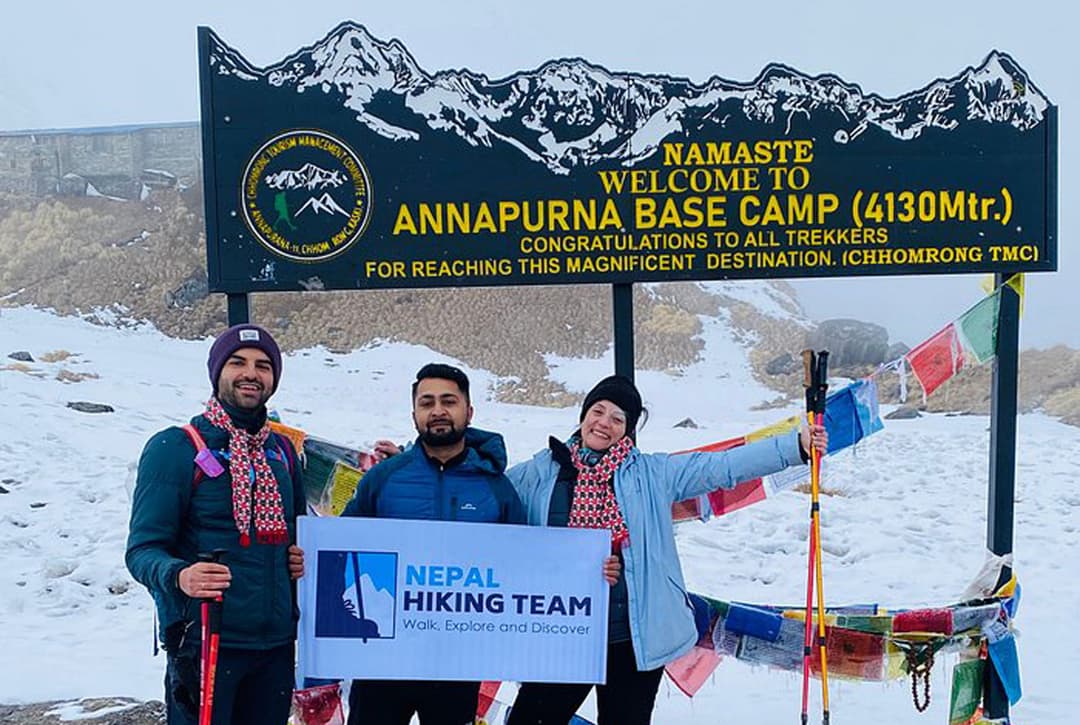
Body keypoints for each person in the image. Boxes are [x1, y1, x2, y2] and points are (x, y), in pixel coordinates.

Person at [505, 374, 828, 725]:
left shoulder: (653, 474)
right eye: (598, 411)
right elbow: (490, 498)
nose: (604, 423)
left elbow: (722, 467)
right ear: (583, 416)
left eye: (617, 418)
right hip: (563, 633)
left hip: (634, 636)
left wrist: (794, 446)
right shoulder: (542, 471)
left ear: (627, 430)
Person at [125, 324, 306, 725]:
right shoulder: (176, 447)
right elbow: (141, 551)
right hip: (204, 643)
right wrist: (181, 575)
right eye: (237, 362)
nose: (251, 373)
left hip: (275, 644)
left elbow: (297, 532)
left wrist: (298, 557)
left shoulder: (283, 453)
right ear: (216, 372)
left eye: (263, 365)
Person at [340, 362, 527, 725]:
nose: (438, 411)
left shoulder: (494, 486)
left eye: (448, 401)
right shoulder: (384, 478)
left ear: (468, 411)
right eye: (427, 403)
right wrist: (308, 559)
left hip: (456, 660)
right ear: (414, 414)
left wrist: (588, 568)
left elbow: (523, 561)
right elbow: (342, 546)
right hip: (384, 657)